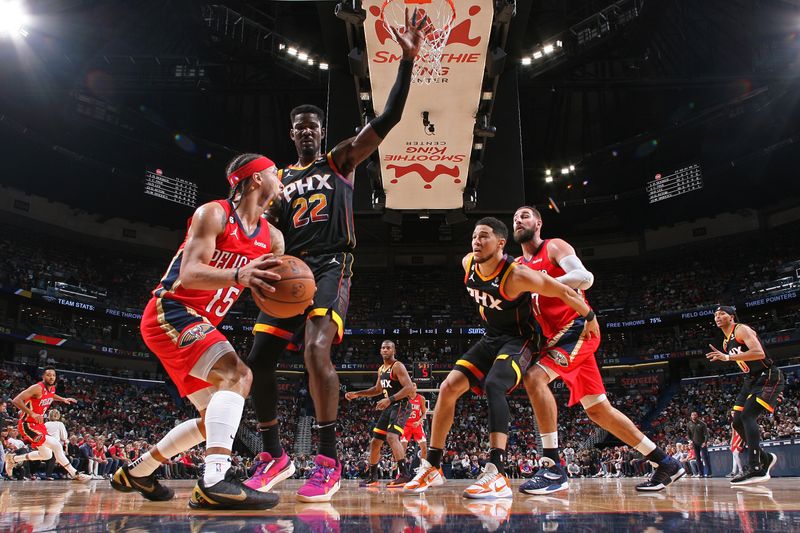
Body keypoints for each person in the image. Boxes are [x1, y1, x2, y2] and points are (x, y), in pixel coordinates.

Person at [244, 8, 428, 503]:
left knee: (314, 350)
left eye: (311, 126)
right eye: (298, 128)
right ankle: (274, 454)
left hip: (331, 264)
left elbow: (387, 119)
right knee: (256, 360)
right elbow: (265, 232)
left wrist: (407, 62)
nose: (305, 132)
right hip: (289, 269)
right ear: (291, 135)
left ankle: (327, 460)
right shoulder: (278, 184)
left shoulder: (340, 159)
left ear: (320, 132)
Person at [110, 153, 285, 510]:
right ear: (254, 179)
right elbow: (189, 274)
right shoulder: (215, 213)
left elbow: (275, 291)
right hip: (171, 310)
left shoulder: (274, 238)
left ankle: (138, 472)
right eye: (273, 172)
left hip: (198, 322)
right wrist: (240, 275)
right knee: (238, 375)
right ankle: (215, 479)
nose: (279, 177)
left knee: (213, 421)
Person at [404, 217, 599, 499]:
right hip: (492, 337)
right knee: (448, 387)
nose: (476, 241)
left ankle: (497, 472)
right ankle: (432, 466)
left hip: (521, 340)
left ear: (500, 243)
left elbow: (563, 290)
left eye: (484, 236)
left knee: (494, 385)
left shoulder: (517, 274)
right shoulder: (468, 263)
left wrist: (589, 315)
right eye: (474, 236)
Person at [511, 205, 683, 493]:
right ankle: (665, 462)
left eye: (525, 216)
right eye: (515, 218)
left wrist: (542, 284)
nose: (518, 220)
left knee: (534, 378)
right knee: (599, 412)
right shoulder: (517, 265)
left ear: (538, 223)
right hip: (552, 339)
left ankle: (552, 468)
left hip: (577, 329)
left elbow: (583, 277)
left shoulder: (554, 246)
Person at [707, 305, 784, 485]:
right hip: (751, 379)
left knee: (748, 415)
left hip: (768, 374)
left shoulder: (741, 329)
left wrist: (726, 358)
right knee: (737, 421)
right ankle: (765, 458)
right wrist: (725, 356)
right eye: (715, 315)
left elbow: (759, 353)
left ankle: (755, 467)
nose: (717, 317)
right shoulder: (726, 342)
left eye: (722, 314)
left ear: (732, 316)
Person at [345, 340, 414, 488]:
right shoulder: (382, 369)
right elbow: (377, 389)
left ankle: (404, 475)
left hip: (401, 404)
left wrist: (389, 399)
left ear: (393, 351)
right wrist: (358, 394)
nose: (385, 350)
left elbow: (409, 388)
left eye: (388, 348)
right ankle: (373, 477)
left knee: (391, 436)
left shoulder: (398, 366)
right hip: (389, 406)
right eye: (383, 347)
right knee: (375, 442)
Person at [4, 367, 90, 482]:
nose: (51, 377)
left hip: (39, 425)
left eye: (53, 375)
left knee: (46, 455)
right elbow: (16, 400)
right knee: (56, 445)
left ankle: (13, 459)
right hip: (27, 424)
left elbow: (51, 395)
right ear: (43, 376)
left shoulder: (52, 388)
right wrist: (32, 413)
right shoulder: (37, 388)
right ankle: (75, 473)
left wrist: (63, 399)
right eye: (49, 375)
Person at [400, 383, 428, 462]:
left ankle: (422, 468)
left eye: (414, 385)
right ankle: (401, 469)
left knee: (424, 448)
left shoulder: (421, 398)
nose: (413, 387)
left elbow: (424, 413)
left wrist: (419, 421)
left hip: (416, 425)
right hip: (406, 425)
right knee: (402, 449)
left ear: (416, 387)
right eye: (411, 385)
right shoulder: (404, 398)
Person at [686, 411, 710, 478]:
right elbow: (688, 434)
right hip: (694, 443)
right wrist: (690, 440)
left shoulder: (702, 424)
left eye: (695, 415)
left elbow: (706, 434)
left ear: (697, 416)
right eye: (692, 415)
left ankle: (709, 473)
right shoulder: (689, 424)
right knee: (697, 458)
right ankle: (701, 473)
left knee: (705, 458)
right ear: (691, 416)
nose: (694, 416)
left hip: (702, 443)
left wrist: (705, 442)